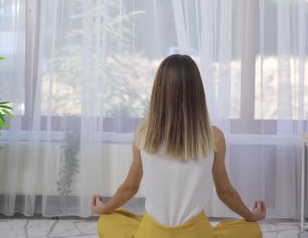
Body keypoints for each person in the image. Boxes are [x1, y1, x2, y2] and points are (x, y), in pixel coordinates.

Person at [92, 54, 265, 238]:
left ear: (158, 91)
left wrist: (105, 208)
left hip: (152, 234)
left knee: (108, 220)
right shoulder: (214, 137)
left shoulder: (143, 135)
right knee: (251, 230)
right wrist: (251, 215)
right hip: (195, 234)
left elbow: (130, 188)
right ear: (197, 93)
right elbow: (224, 192)